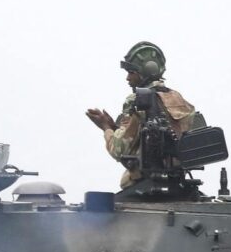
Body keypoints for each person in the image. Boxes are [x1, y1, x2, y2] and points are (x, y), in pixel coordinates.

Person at [85, 41, 201, 187]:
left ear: (145, 71)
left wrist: (105, 127)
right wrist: (115, 127)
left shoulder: (139, 101)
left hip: (147, 183)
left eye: (131, 72)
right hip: (178, 181)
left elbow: (119, 149)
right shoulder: (179, 99)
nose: (127, 78)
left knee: (125, 181)